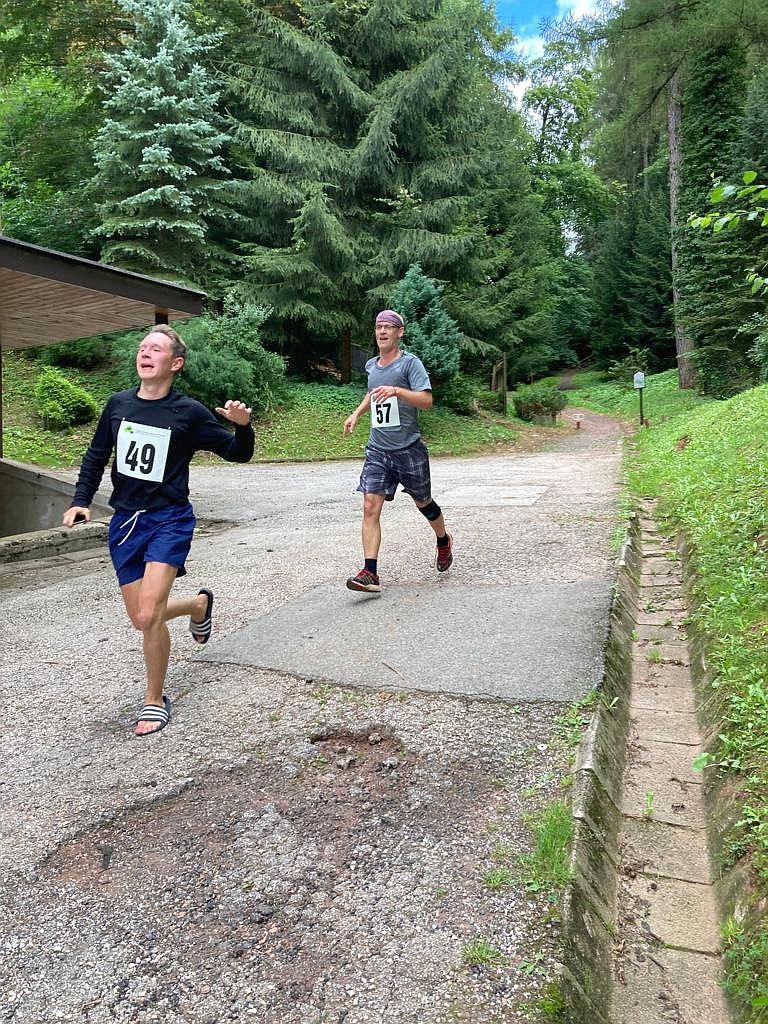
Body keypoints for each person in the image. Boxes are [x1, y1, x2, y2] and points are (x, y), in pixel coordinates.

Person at [63, 325, 254, 736]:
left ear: (176, 363)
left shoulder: (188, 412)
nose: (145, 353)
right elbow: (96, 455)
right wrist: (80, 500)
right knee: (141, 617)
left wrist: (242, 426)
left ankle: (154, 699)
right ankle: (198, 605)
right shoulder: (118, 405)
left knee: (149, 614)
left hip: (169, 519)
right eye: (142, 347)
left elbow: (237, 453)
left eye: (155, 349)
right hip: (125, 523)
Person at [342, 309, 453, 593]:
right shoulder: (371, 365)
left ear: (399, 332)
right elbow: (372, 393)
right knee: (369, 506)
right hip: (378, 449)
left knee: (424, 503)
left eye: (388, 327)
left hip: (408, 449)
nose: (382, 331)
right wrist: (356, 413)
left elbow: (426, 401)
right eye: (378, 327)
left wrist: (398, 391)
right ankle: (370, 572)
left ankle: (443, 540)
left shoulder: (410, 364)